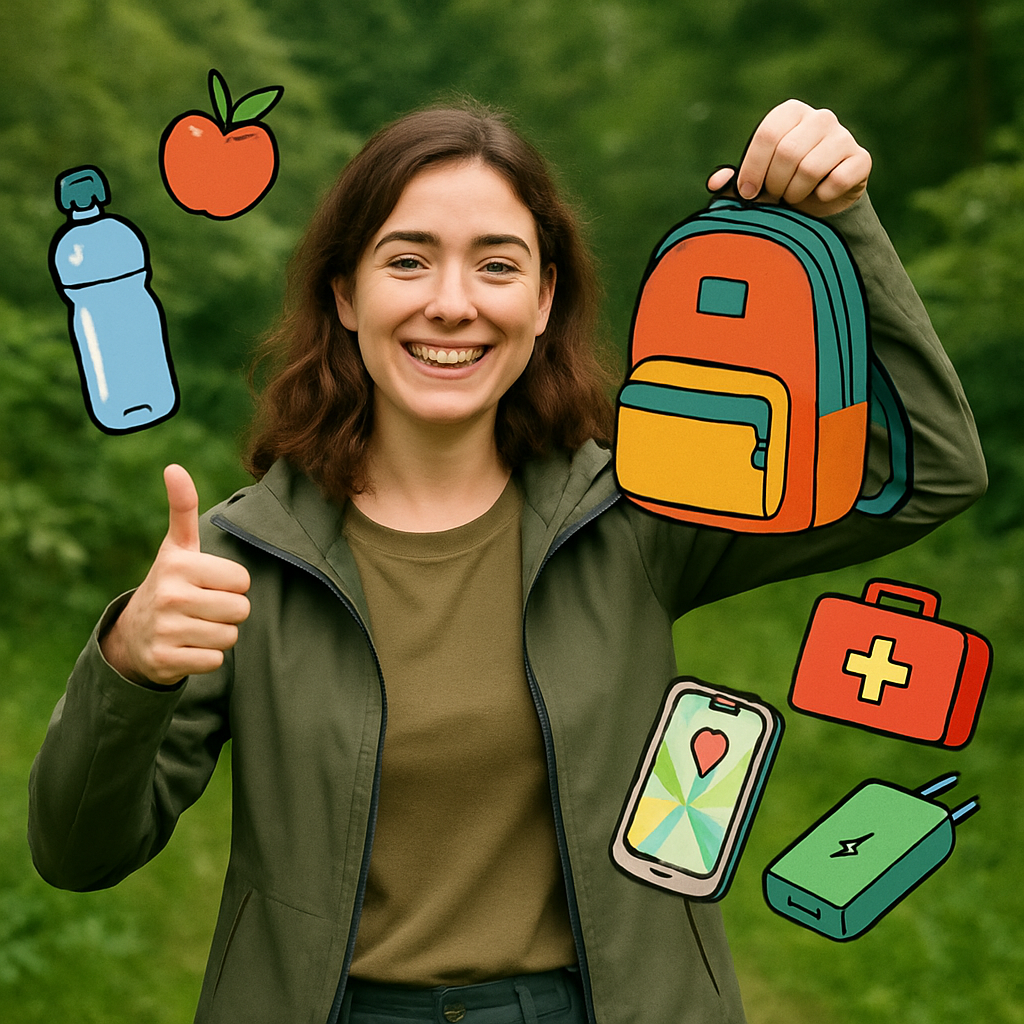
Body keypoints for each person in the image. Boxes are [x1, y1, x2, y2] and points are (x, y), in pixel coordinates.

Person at [29, 98, 986, 1024]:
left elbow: (926, 473)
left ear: (544, 299)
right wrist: (129, 663)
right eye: (408, 260)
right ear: (345, 294)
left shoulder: (638, 514)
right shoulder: (244, 562)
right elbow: (77, 852)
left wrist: (842, 226)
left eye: (497, 265)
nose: (453, 305)